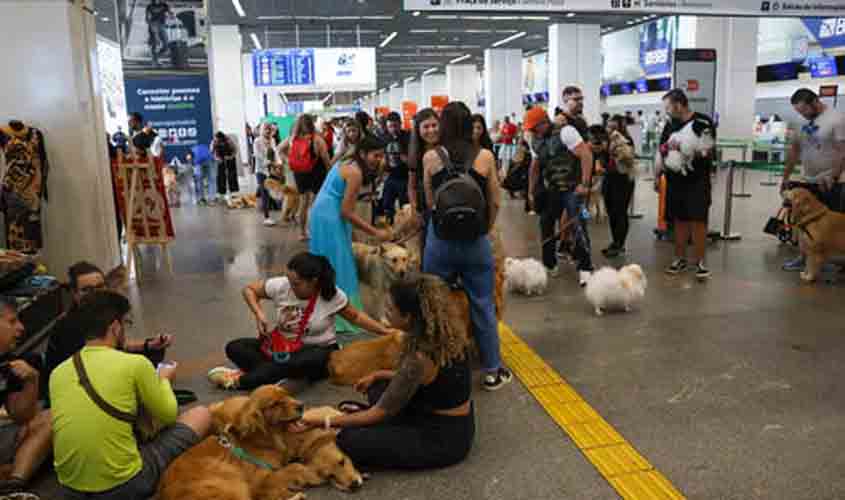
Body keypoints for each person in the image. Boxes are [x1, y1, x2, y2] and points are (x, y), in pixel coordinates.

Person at [294, 275, 475, 470]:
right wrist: (379, 374)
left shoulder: (419, 358)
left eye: (390, 309)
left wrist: (325, 421)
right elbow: (426, 381)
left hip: (441, 438)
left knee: (349, 441)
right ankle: (375, 421)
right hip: (453, 419)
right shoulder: (445, 334)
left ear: (408, 317)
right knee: (377, 387)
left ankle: (372, 425)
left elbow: (378, 413)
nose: (385, 312)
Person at [50, 290, 210, 499]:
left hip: (69, 490)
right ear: (115, 327)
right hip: (126, 485)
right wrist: (163, 379)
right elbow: (169, 414)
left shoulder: (59, 372)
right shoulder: (135, 363)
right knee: (200, 415)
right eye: (125, 324)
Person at [210, 253, 399, 390]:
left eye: (297, 284)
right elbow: (249, 290)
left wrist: (384, 331)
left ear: (314, 281)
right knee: (235, 347)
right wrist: (259, 313)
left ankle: (242, 381)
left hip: (318, 351)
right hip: (282, 348)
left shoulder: (331, 295)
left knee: (308, 361)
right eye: (289, 281)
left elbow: (356, 317)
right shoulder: (283, 285)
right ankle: (280, 376)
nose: (290, 287)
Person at [421, 101, 510, 391]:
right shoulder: (484, 155)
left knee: (435, 303)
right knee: (483, 304)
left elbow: (430, 202)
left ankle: (436, 365)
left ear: (443, 125)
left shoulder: (430, 157)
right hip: (475, 240)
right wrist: (485, 226)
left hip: (440, 241)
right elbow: (496, 200)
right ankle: (492, 369)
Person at [42, 262, 172, 404]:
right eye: (87, 290)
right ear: (74, 294)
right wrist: (161, 381)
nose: (96, 294)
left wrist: (149, 345)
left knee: (154, 353)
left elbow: (117, 346)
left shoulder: (102, 314)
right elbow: (93, 369)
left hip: (97, 373)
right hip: (78, 388)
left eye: (100, 287)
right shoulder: (68, 327)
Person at [309, 134, 392, 332]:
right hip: (330, 216)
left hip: (321, 212)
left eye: (382, 156)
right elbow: (346, 211)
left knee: (327, 263)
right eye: (375, 155)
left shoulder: (346, 161)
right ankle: (344, 317)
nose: (379, 160)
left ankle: (324, 311)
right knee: (341, 266)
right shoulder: (356, 173)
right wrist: (375, 232)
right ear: (363, 153)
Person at [527, 97, 595, 286]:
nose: (532, 131)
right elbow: (535, 166)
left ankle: (585, 267)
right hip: (553, 189)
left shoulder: (566, 132)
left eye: (534, 127)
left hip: (574, 189)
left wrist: (585, 184)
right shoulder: (535, 140)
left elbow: (586, 155)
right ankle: (549, 264)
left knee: (579, 225)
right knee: (545, 222)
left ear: (544, 122)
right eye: (530, 129)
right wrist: (530, 191)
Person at [655, 89, 716, 280]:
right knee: (679, 220)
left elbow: (708, 150)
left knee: (698, 220)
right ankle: (679, 259)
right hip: (675, 180)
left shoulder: (703, 122)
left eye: (668, 107)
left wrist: (687, 150)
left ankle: (700, 262)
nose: (667, 111)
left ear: (679, 105)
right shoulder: (670, 125)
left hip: (697, 180)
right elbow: (662, 148)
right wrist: (658, 174)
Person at [781, 88, 845, 272]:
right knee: (804, 223)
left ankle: (828, 261)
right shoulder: (800, 121)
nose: (802, 115)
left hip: (832, 180)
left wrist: (834, 175)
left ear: (815, 102)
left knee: (831, 224)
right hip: (808, 179)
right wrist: (786, 176)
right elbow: (794, 150)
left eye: (804, 110)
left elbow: (842, 151)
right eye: (798, 112)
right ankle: (803, 257)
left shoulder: (837, 119)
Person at [0, 298, 52, 498]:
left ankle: (13, 485)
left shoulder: (7, 361)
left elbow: (21, 416)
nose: (21, 328)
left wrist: (32, 380)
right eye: (12, 321)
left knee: (50, 418)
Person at [279, 114, 333, 241]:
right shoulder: (317, 139)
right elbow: (325, 159)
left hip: (300, 173)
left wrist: (288, 161)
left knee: (303, 203)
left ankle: (302, 233)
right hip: (316, 172)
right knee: (315, 204)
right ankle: (316, 231)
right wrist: (331, 173)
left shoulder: (292, 139)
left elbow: (279, 149)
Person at [597, 118, 636, 258]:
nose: (611, 130)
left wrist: (615, 151)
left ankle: (620, 244)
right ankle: (615, 242)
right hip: (609, 179)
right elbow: (602, 160)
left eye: (614, 128)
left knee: (620, 212)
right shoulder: (604, 142)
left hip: (623, 181)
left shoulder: (626, 141)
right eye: (609, 127)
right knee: (611, 212)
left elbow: (628, 159)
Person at [407, 108, 441, 266]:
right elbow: (412, 186)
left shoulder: (447, 149)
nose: (431, 130)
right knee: (427, 254)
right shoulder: (416, 154)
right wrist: (414, 211)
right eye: (426, 127)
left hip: (445, 208)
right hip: (425, 212)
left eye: (434, 125)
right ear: (418, 130)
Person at [379, 112, 412, 224]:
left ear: (400, 124)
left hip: (405, 178)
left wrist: (406, 159)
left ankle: (404, 229)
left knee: (405, 206)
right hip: (390, 177)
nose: (392, 129)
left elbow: (414, 160)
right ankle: (390, 227)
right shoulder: (383, 138)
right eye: (390, 126)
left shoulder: (408, 137)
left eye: (395, 126)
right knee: (387, 205)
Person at [253, 123, 278, 226]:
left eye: (269, 129)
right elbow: (258, 156)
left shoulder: (272, 140)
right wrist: (269, 162)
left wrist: (278, 164)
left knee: (270, 192)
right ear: (262, 130)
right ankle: (266, 217)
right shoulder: (257, 141)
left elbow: (275, 153)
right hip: (261, 171)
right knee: (265, 193)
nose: (268, 131)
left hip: (271, 170)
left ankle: (266, 209)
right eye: (266, 129)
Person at [211, 131, 240, 201]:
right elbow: (212, 151)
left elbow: (235, 150)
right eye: (216, 139)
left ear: (221, 138)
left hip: (230, 157)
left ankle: (234, 191)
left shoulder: (229, 141)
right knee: (220, 175)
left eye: (217, 139)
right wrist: (217, 158)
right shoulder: (214, 142)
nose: (216, 140)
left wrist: (230, 157)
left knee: (232, 174)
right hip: (220, 159)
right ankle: (221, 192)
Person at [145, 0, 170, 67]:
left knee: (166, 46)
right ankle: (155, 61)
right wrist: (151, 26)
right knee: (155, 43)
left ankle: (156, 58)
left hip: (162, 26)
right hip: (153, 25)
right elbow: (147, 18)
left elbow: (169, 14)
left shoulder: (165, 5)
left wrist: (170, 15)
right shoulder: (149, 6)